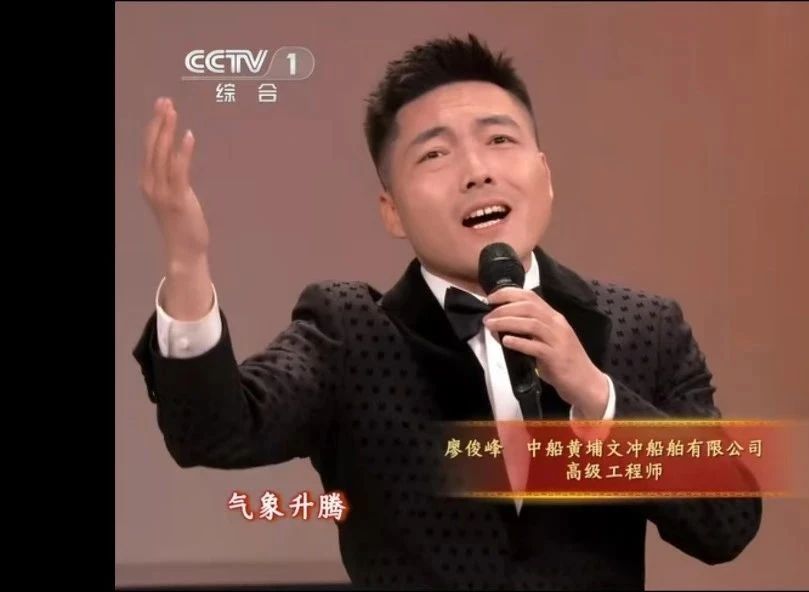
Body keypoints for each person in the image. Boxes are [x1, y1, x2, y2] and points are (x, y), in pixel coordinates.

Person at [132, 34, 762, 590]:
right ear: (391, 210)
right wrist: (187, 262)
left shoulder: (643, 328)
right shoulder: (350, 332)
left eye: (499, 140)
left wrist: (597, 398)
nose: (477, 171)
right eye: (435, 154)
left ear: (545, 175)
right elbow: (212, 431)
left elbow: (728, 523)